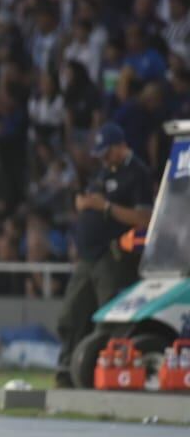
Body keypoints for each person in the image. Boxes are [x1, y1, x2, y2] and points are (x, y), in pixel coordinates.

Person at [55, 123, 155, 386]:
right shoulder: (103, 171)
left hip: (113, 257)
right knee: (72, 314)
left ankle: (103, 373)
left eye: (108, 152)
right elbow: (93, 201)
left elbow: (144, 218)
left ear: (121, 147)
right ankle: (68, 370)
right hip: (88, 257)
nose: (103, 158)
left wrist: (105, 207)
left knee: (109, 319)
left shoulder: (137, 173)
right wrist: (84, 205)